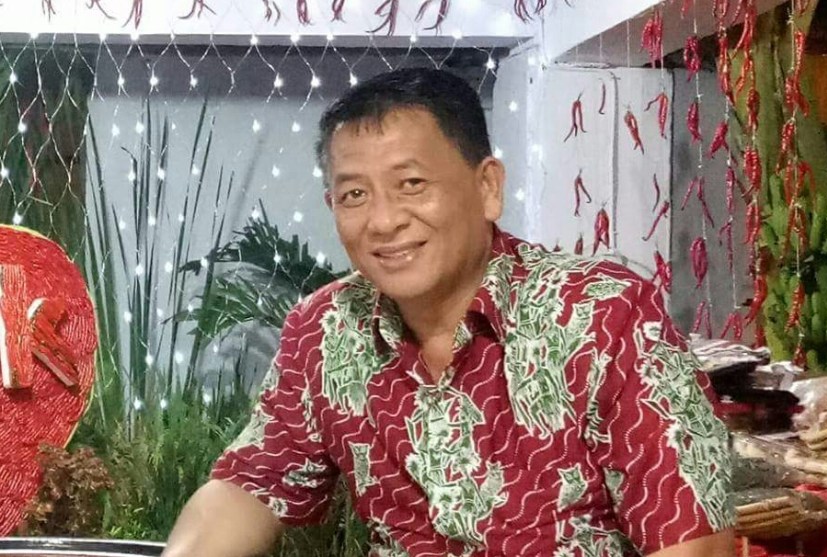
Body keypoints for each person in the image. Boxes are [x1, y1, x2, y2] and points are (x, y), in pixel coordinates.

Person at [163, 67, 736, 557]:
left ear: (487, 187)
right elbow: (253, 484)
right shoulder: (326, 328)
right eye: (355, 195)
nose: (384, 221)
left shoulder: (604, 316)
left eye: (411, 184)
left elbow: (690, 537)